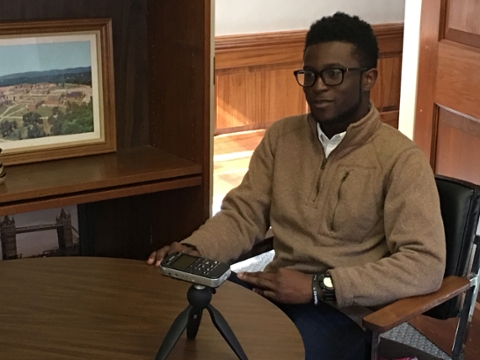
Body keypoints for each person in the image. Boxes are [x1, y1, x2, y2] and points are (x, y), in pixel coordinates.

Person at [148, 12, 446, 360]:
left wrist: (321, 287)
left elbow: (424, 264)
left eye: (334, 74)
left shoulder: (401, 159)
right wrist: (195, 250)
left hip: (341, 315)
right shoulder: (282, 137)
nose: (318, 86)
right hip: (273, 291)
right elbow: (244, 215)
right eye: (310, 74)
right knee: (173, 321)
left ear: (368, 78)